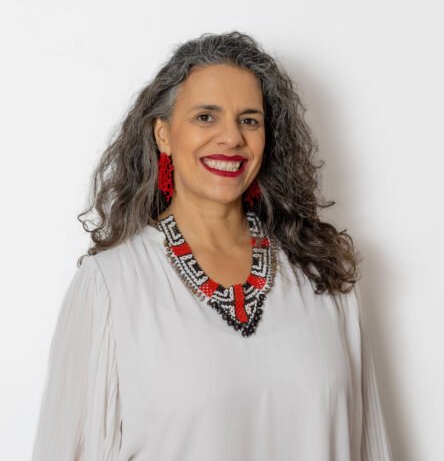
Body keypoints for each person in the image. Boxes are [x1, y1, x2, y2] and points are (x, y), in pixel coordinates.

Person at [31, 31, 393, 460]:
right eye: (206, 117)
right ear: (163, 135)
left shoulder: (322, 275)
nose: (231, 137)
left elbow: (368, 446)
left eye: (249, 120)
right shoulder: (110, 286)